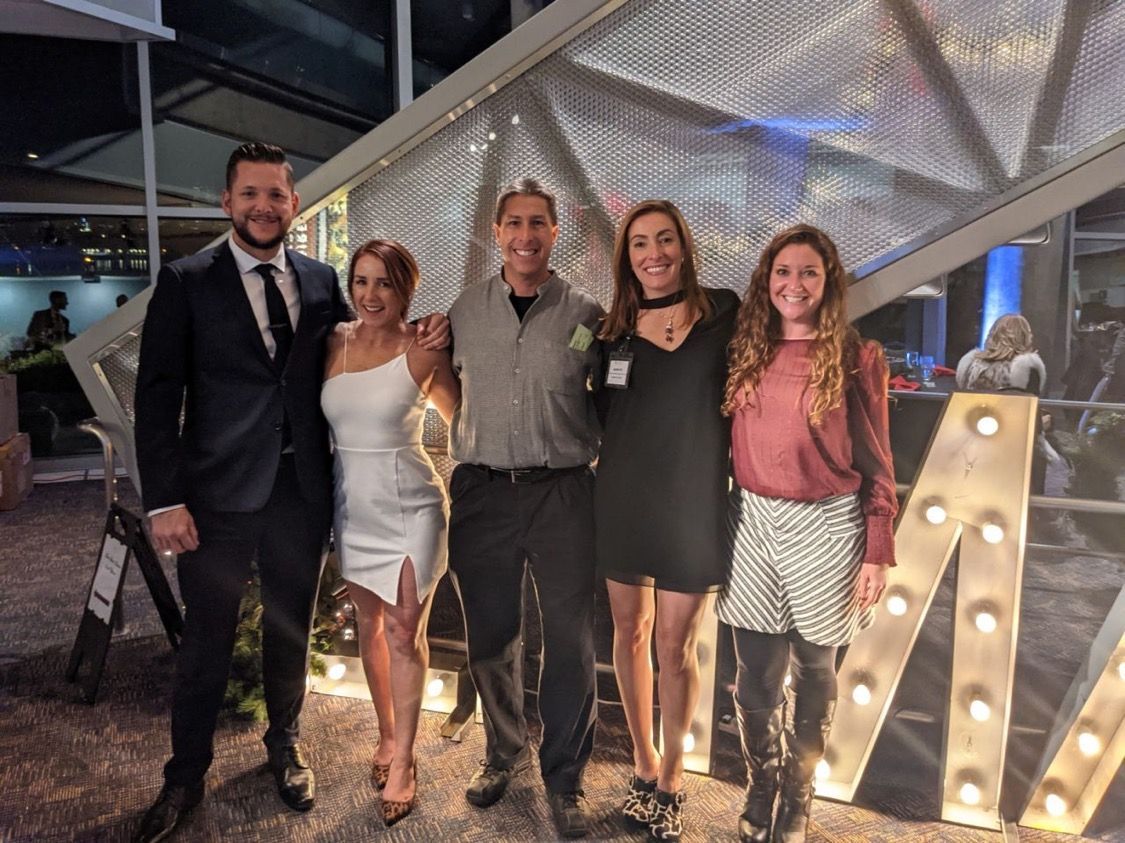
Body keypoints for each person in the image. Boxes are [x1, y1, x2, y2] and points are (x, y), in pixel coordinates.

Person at [132, 142, 448, 843]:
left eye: (275, 194)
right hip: (213, 498)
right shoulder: (186, 280)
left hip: (299, 493)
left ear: (294, 203)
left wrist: (426, 327)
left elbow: (363, 336)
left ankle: (284, 744)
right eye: (249, 194)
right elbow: (155, 396)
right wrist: (163, 500)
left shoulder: (319, 278)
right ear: (227, 201)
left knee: (289, 630)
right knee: (205, 640)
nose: (263, 206)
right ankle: (184, 775)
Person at [716, 224, 896, 843]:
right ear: (767, 281)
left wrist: (877, 550)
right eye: (784, 272)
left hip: (827, 524)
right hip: (752, 520)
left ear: (828, 282)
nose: (794, 284)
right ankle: (760, 781)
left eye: (809, 273)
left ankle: (798, 792)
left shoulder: (856, 357)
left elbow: (878, 462)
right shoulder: (745, 349)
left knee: (816, 668)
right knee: (754, 673)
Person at [447, 178, 602, 839]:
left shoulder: (587, 313)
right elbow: (435, 377)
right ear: (497, 232)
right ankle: (502, 751)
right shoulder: (463, 310)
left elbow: (612, 395)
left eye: (538, 222)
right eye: (513, 222)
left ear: (555, 231)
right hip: (482, 490)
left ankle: (564, 776)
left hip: (562, 490)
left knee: (569, 638)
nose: (525, 235)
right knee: (490, 637)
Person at [594, 199, 737, 840]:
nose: (653, 254)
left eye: (664, 239)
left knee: (675, 647)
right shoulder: (610, 332)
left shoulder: (725, 312)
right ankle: (643, 762)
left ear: (684, 246)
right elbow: (597, 415)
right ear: (626, 258)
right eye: (640, 244)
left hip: (694, 500)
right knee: (629, 634)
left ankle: (674, 777)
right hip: (623, 497)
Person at [320, 239, 459, 827]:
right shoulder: (332, 341)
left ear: (406, 289)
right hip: (352, 508)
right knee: (369, 626)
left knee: (404, 632)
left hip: (411, 509)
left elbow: (465, 425)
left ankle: (404, 759)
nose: (371, 294)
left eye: (384, 283)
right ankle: (385, 734)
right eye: (361, 281)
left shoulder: (424, 348)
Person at [956, 313, 1060, 492]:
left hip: (973, 437)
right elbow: (1029, 409)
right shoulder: (1027, 366)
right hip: (1012, 441)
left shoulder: (971, 363)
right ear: (1025, 336)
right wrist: (1042, 425)